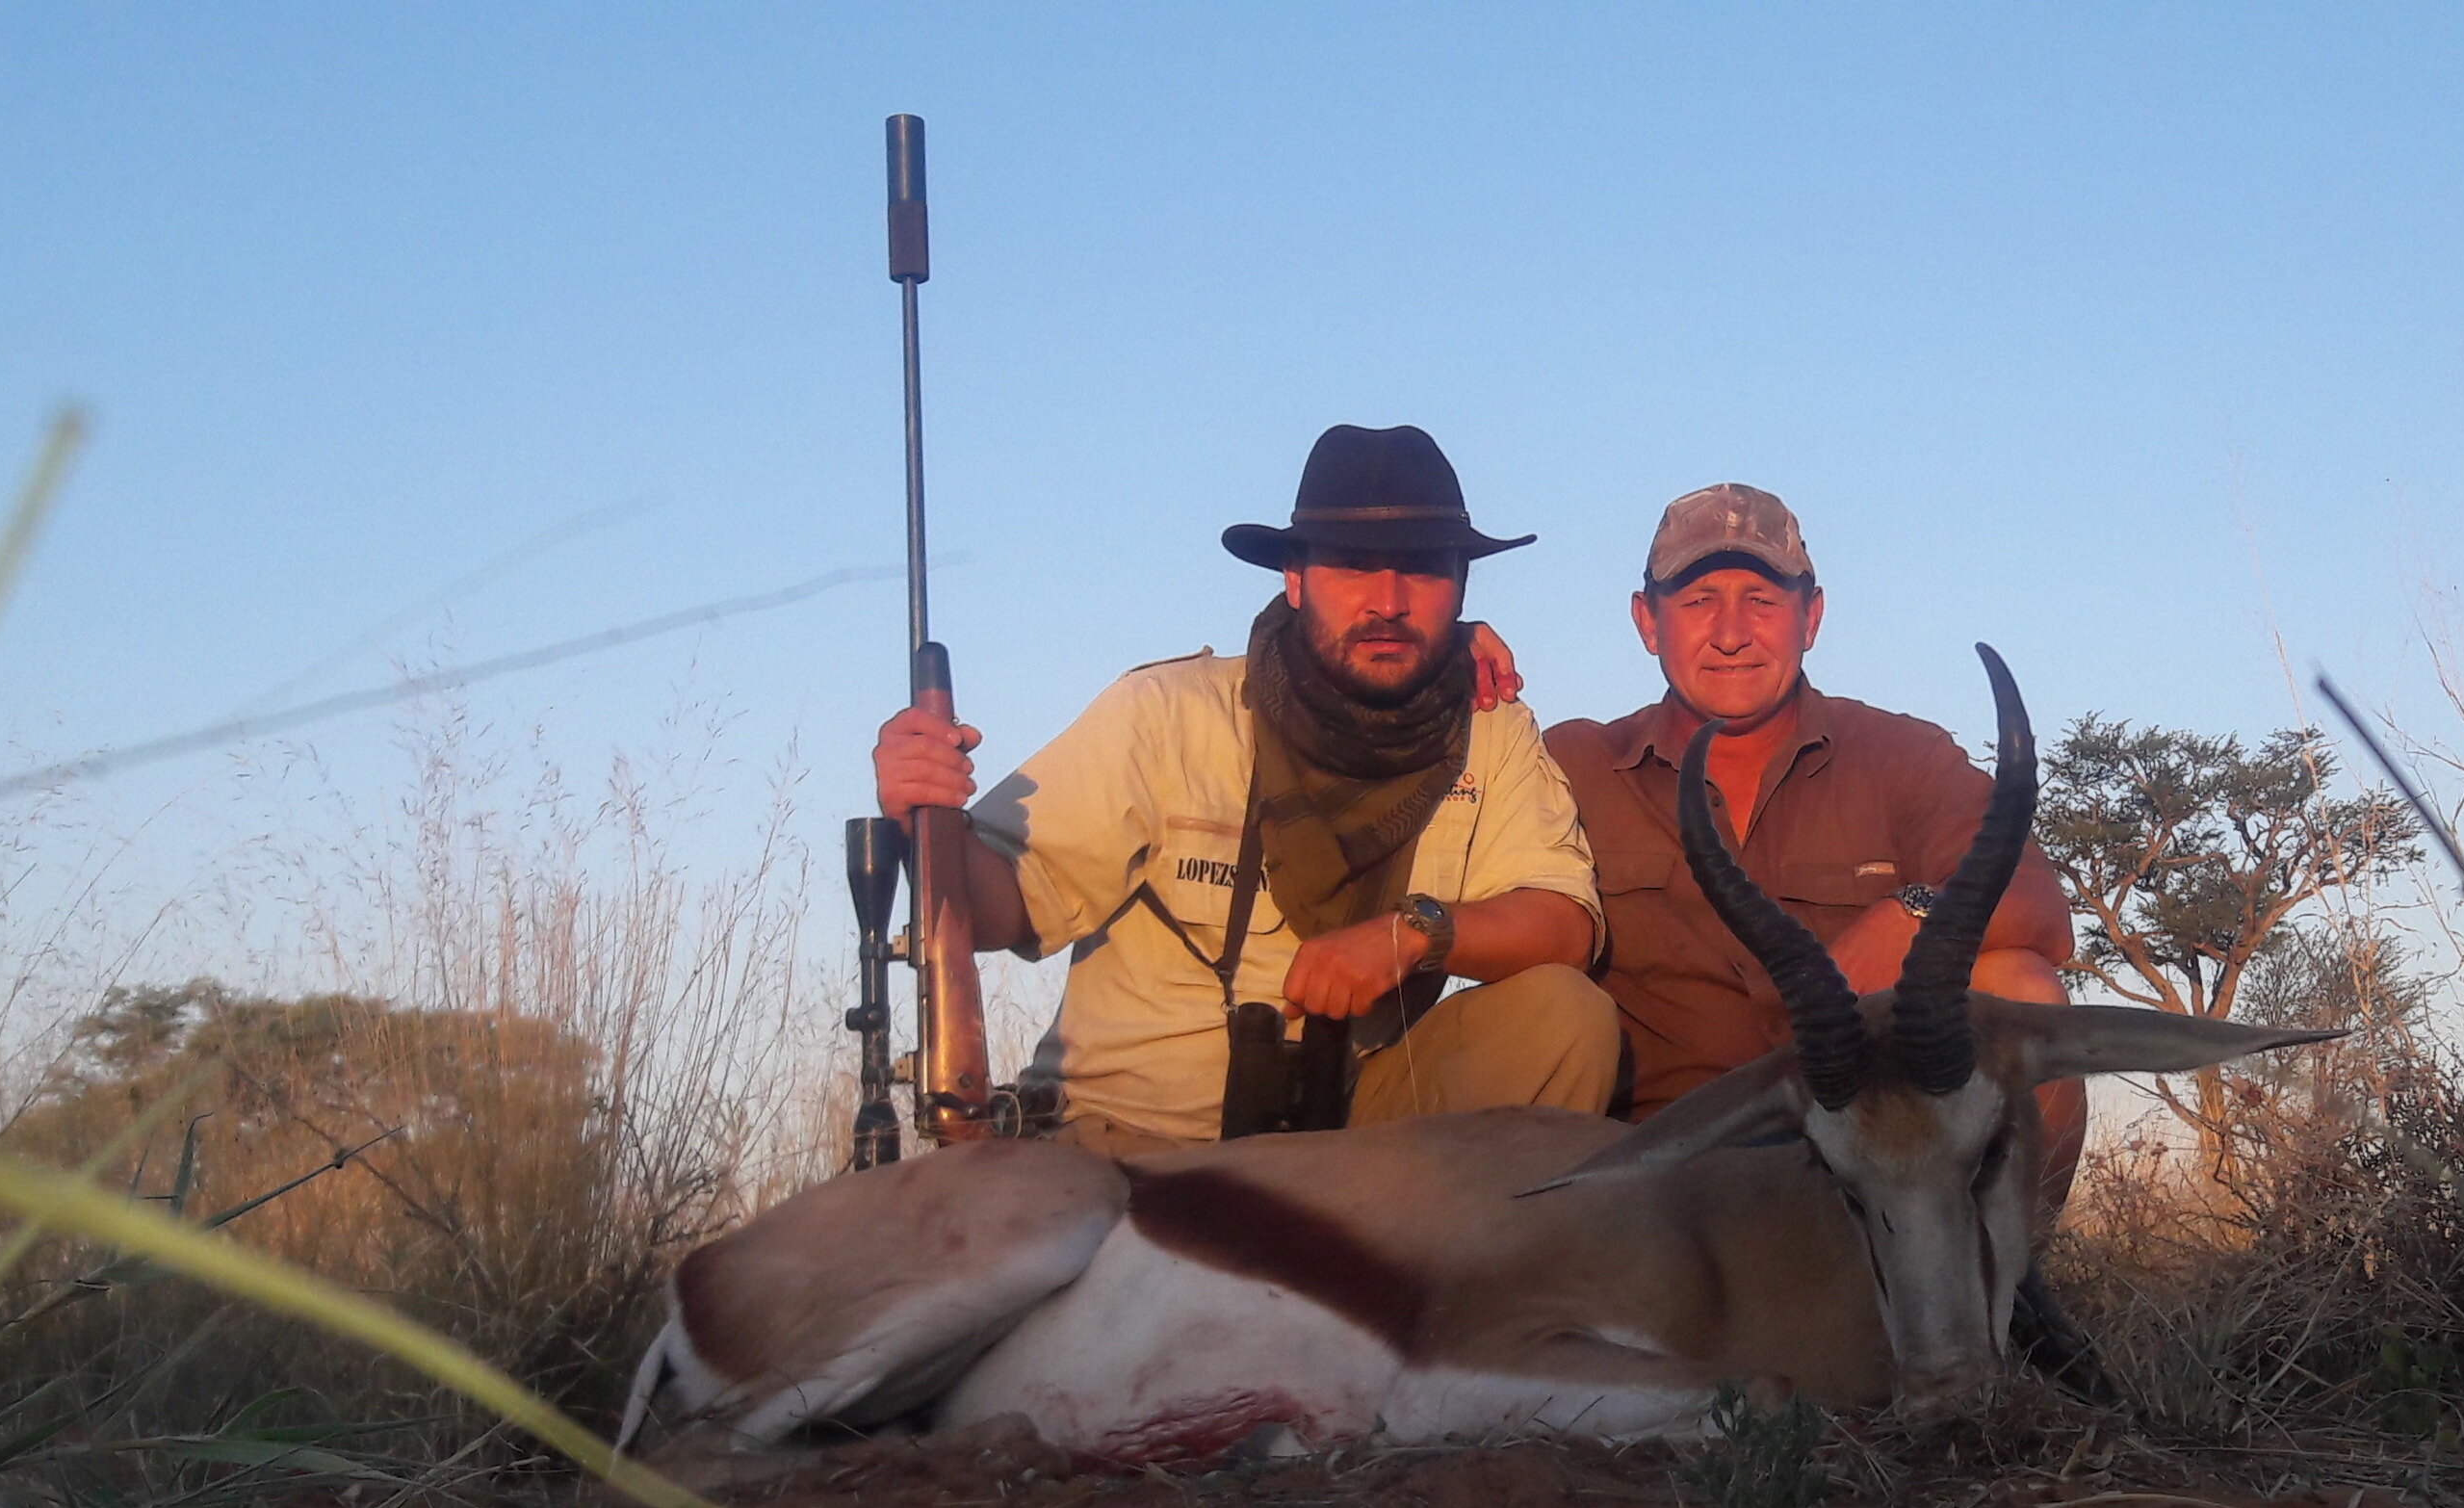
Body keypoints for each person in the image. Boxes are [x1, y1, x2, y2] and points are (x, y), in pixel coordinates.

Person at [872, 425, 1617, 1157]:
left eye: (1421, 569)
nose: (1388, 601)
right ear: (1293, 578)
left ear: (1460, 586)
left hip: (1352, 1129)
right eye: (1353, 565)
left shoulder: (1492, 727)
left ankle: (1458, 1269)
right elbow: (1004, 902)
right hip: (1131, 1144)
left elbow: (1564, 925)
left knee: (1568, 1019)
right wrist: (927, 820)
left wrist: (1412, 933)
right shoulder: (1167, 713)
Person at [1540, 483, 2089, 1207]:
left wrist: (1912, 914)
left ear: (1813, 617)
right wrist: (1462, 648)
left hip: (1863, 1164)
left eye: (1763, 602)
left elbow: (2040, 907)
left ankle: (2005, 1302)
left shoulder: (1902, 754)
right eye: (1699, 600)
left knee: (2018, 988)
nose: (1732, 633)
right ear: (1647, 621)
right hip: (1651, 1180)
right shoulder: (1570, 762)